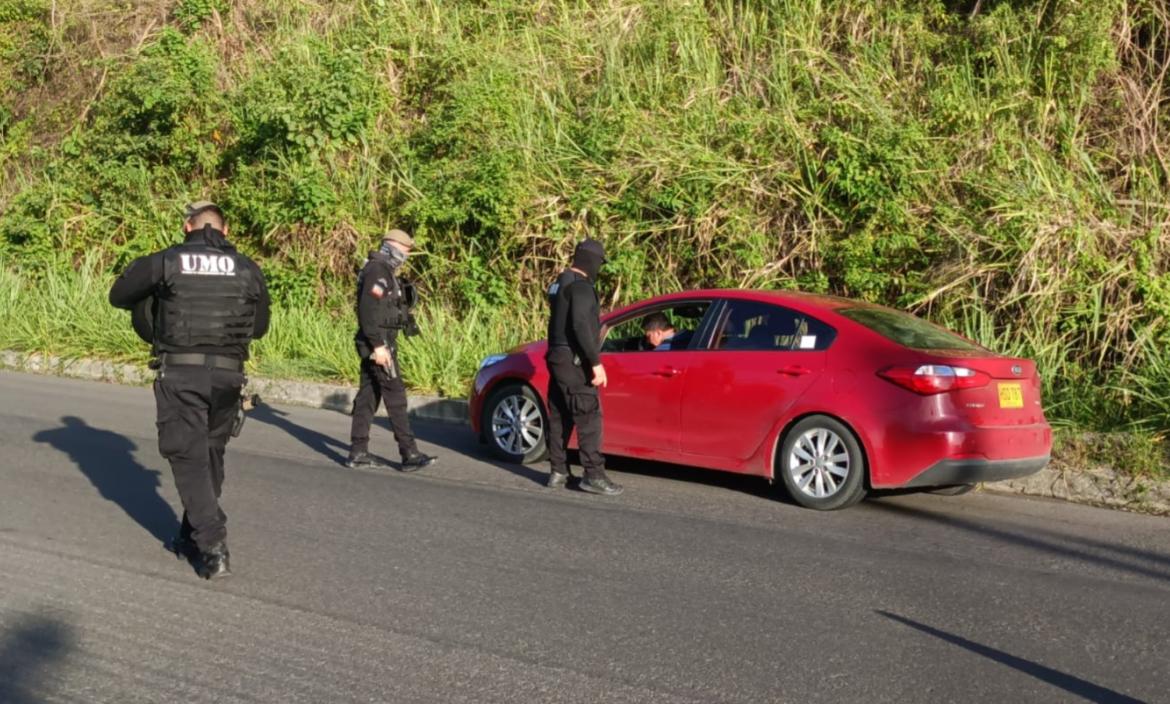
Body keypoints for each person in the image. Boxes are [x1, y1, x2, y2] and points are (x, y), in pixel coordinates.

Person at [108, 201, 270, 579]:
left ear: (187, 227)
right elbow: (259, 328)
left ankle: (213, 544)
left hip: (182, 373)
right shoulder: (248, 268)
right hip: (230, 376)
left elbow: (119, 295)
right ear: (225, 231)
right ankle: (191, 535)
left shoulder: (167, 261)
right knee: (210, 454)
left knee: (187, 455)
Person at [347, 229, 436, 472]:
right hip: (378, 342)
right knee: (395, 396)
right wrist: (378, 346)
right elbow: (367, 312)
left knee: (368, 396)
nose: (406, 255)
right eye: (405, 250)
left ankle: (358, 451)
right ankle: (409, 454)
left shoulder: (384, 270)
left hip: (378, 340)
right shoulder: (377, 271)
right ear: (392, 246)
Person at [544, 239, 622, 496]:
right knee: (588, 414)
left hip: (556, 355)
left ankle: (558, 471)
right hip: (573, 358)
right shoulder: (582, 287)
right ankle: (594, 475)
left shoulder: (560, 282)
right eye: (599, 263)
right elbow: (579, 325)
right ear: (592, 261)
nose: (599, 268)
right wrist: (596, 363)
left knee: (559, 415)